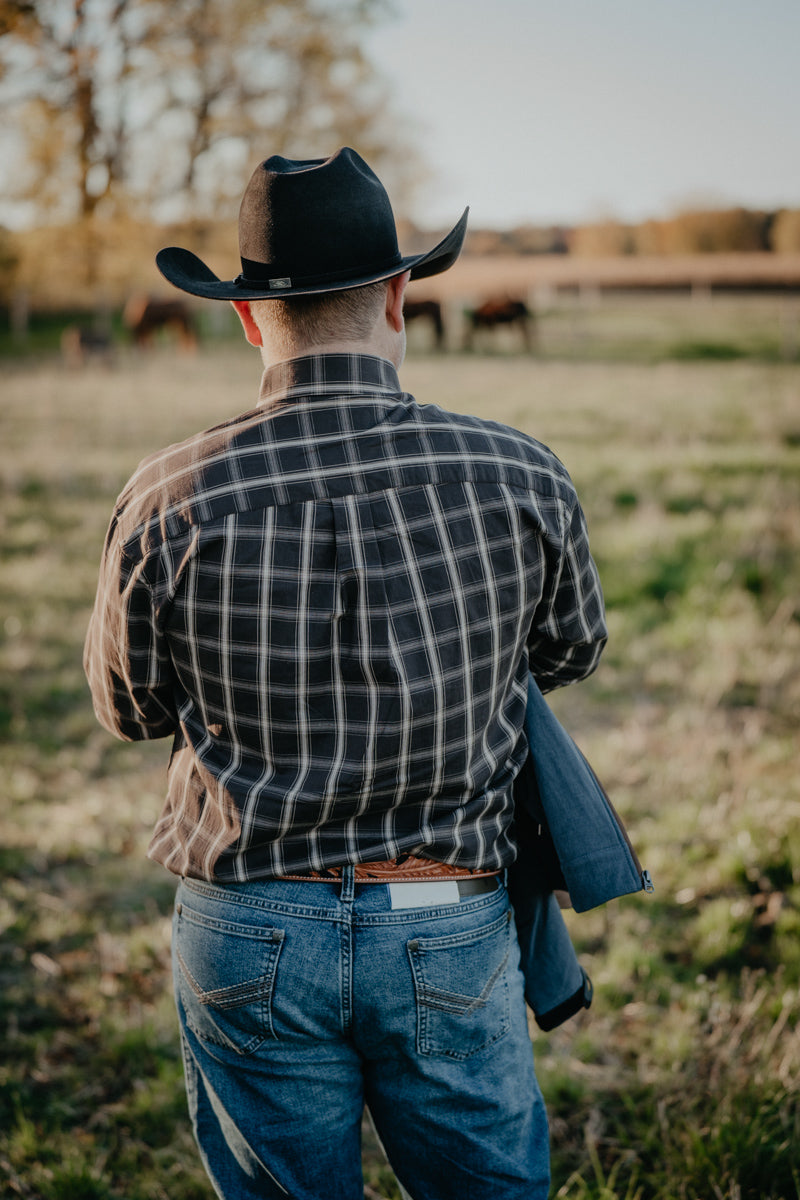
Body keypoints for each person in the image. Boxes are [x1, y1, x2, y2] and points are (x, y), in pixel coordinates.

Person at [84, 147, 607, 1200]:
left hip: (248, 920)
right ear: (399, 296)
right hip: (447, 918)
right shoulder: (520, 470)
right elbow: (568, 651)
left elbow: (129, 709)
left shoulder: (165, 496)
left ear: (243, 317)